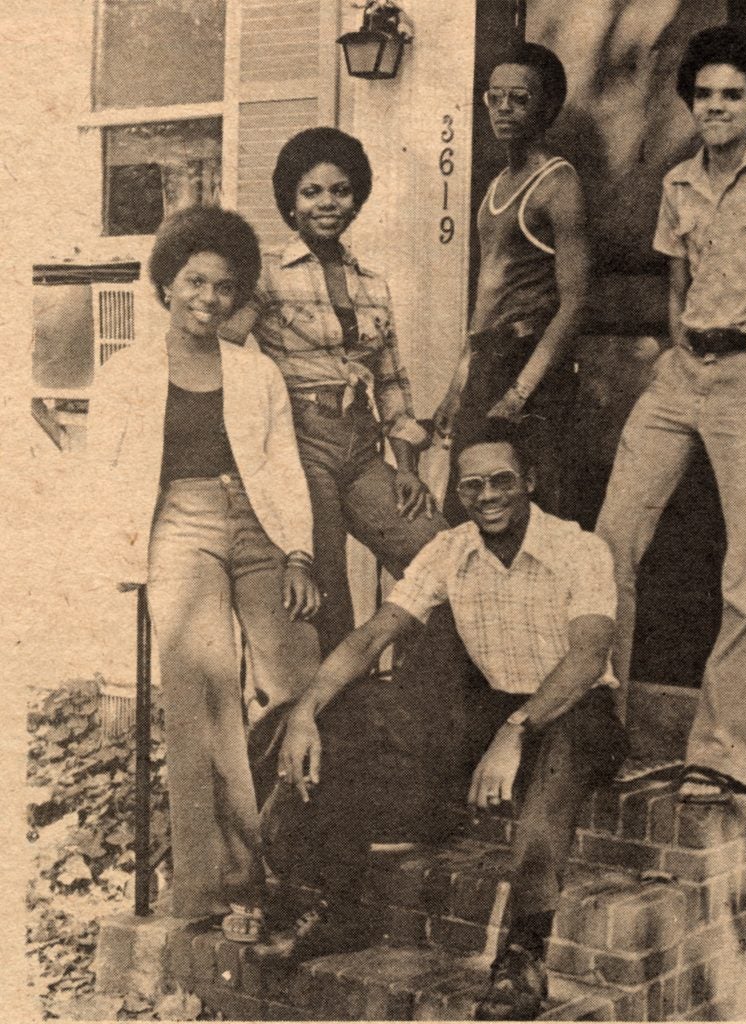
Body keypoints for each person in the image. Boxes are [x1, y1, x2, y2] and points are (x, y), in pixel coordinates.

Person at [276, 418, 628, 1020]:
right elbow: (371, 638)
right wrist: (307, 710)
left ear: (529, 482)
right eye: (472, 487)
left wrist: (515, 731)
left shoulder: (579, 548)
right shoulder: (450, 549)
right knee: (353, 711)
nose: (488, 497)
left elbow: (588, 656)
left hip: (577, 707)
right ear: (458, 494)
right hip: (496, 704)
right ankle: (345, 906)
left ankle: (522, 957)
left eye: (502, 481)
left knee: (557, 762)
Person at [595, 25, 746, 802]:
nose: (716, 107)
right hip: (682, 377)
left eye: (732, 95)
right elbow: (678, 282)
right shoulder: (677, 185)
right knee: (609, 544)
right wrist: (680, 343)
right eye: (704, 95)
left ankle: (727, 754)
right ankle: (598, 727)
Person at [86, 206, 321, 932]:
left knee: (300, 681)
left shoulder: (257, 373)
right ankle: (226, 888)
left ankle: (301, 863)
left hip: (258, 522)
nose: (209, 299)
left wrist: (300, 554)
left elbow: (282, 467)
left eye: (224, 287)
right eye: (194, 281)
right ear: (166, 283)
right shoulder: (125, 373)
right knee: (206, 696)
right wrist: (124, 560)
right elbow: (105, 475)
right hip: (179, 526)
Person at [220, 127, 447, 657]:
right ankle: (331, 727)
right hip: (300, 447)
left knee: (440, 555)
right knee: (328, 593)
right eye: (312, 192)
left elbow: (392, 382)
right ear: (292, 205)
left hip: (361, 447)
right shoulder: (268, 276)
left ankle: (415, 703)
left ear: (357, 198)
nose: (327, 203)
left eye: (340, 191)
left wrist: (408, 465)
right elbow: (226, 346)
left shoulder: (372, 283)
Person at [434, 42, 589, 521]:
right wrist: (458, 387)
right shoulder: (497, 185)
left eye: (518, 99)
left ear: (545, 107)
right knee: (466, 513)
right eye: (494, 98)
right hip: (488, 366)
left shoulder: (558, 185)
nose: (503, 109)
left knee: (529, 515)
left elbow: (575, 303)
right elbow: (488, 295)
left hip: (530, 370)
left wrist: (520, 392)